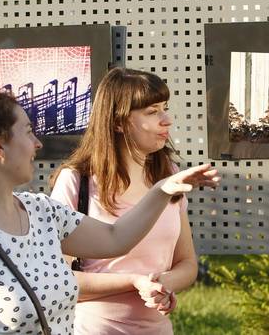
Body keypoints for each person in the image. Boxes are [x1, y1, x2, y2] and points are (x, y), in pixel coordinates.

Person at [0, 91, 219, 335]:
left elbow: (116, 238)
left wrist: (163, 189)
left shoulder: (41, 211)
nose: (37, 143)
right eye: (28, 132)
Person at [50, 67, 198, 335]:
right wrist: (134, 282)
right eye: (152, 112)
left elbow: (187, 263)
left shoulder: (170, 176)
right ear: (118, 122)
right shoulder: (76, 181)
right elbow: (55, 279)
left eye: (165, 108)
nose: (167, 120)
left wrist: (160, 285)